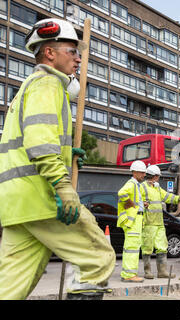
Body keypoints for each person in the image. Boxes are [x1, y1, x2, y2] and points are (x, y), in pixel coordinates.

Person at [0, 18, 115, 300]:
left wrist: (66, 154)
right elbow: (40, 143)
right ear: (49, 53)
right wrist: (62, 185)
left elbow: (31, 141)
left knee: (10, 286)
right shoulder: (48, 83)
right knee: (97, 258)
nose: (78, 58)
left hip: (18, 203)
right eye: (72, 51)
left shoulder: (28, 87)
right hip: (42, 197)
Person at [141, 165, 180, 279]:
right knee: (147, 247)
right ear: (154, 176)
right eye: (158, 176)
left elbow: (167, 197)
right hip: (148, 223)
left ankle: (162, 271)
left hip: (159, 222)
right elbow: (137, 201)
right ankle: (147, 271)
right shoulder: (142, 187)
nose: (158, 178)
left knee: (162, 247)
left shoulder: (157, 188)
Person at [117, 160, 148, 283]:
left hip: (136, 220)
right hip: (133, 221)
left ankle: (128, 273)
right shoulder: (132, 183)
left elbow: (133, 200)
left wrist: (141, 204)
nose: (144, 175)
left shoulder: (136, 185)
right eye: (142, 173)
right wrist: (129, 203)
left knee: (132, 247)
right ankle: (129, 274)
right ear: (135, 172)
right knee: (132, 248)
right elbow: (121, 193)